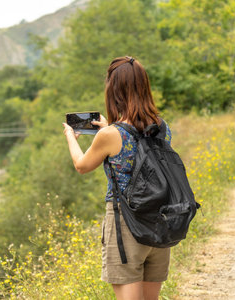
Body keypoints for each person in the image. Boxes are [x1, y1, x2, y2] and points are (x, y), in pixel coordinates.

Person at [62, 56, 172, 300]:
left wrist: (71, 136)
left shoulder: (110, 135)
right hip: (159, 222)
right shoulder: (162, 127)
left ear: (114, 90)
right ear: (144, 86)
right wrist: (109, 127)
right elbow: (136, 145)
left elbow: (82, 166)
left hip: (126, 225)